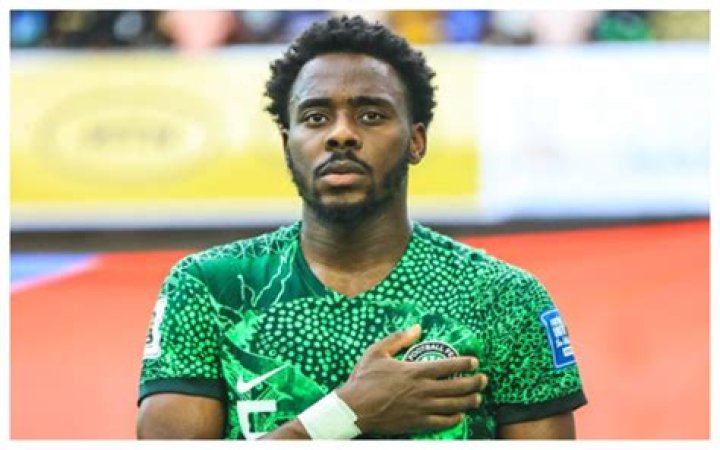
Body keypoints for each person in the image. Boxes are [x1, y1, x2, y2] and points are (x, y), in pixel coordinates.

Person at [136, 15, 587, 440]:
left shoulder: (503, 297)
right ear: (287, 144)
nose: (341, 134)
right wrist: (348, 413)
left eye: (371, 115)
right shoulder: (209, 287)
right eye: (316, 117)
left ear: (416, 141)